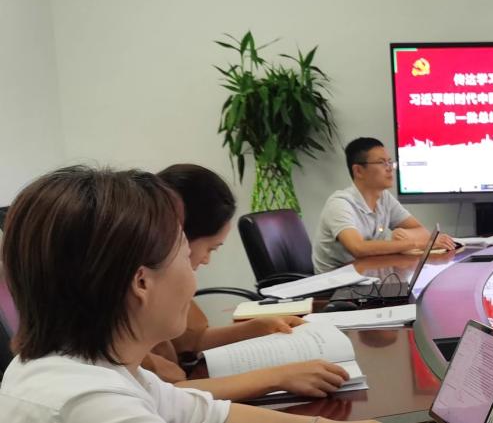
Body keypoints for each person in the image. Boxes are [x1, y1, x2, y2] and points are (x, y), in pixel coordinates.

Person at [0, 165, 376, 423]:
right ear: (141, 282)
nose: (196, 273)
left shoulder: (102, 368)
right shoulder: (92, 404)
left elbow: (207, 412)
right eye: (185, 255)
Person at [145, 163, 351, 401]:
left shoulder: (165, 281)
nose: (206, 261)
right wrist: (276, 377)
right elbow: (169, 396)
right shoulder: (133, 295)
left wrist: (258, 328)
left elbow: (191, 341)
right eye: (210, 248)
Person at [313, 137, 455, 273]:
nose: (390, 168)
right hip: (334, 283)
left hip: (366, 275)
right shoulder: (340, 204)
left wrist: (405, 234)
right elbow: (358, 248)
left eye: (390, 162)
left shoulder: (384, 198)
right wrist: (418, 244)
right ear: (358, 171)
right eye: (382, 163)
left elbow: (422, 231)